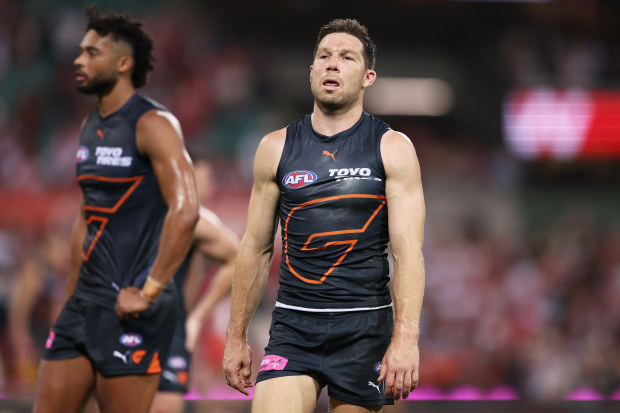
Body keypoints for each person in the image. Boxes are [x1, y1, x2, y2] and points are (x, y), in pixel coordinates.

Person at [223, 18, 426, 413]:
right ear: (311, 71)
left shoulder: (393, 148)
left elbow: (407, 252)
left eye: (346, 57)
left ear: (368, 77)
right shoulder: (275, 147)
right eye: (324, 56)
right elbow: (255, 247)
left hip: (365, 329)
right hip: (294, 327)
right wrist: (236, 336)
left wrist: (406, 339)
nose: (333, 64)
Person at [32, 5, 200, 413]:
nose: (78, 59)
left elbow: (187, 209)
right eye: (80, 51)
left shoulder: (154, 123)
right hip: (85, 303)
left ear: (123, 63)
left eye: (92, 52)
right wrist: (71, 294)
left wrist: (150, 291)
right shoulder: (91, 125)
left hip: (133, 308)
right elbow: (87, 216)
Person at [150, 157, 239, 413]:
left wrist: (196, 318)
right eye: (207, 178)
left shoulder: (195, 222)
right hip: (128, 323)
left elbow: (237, 258)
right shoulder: (152, 212)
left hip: (170, 331)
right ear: (186, 175)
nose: (211, 187)